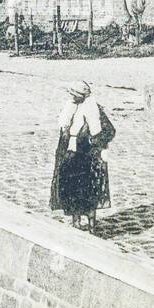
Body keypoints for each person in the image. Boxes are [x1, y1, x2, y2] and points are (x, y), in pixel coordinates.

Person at [49, 81, 116, 232]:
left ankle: (92, 224)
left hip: (87, 158)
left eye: (74, 95)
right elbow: (64, 130)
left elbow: (109, 131)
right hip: (70, 155)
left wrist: (92, 141)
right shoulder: (70, 108)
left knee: (87, 190)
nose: (71, 97)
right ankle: (76, 221)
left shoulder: (94, 111)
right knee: (71, 189)